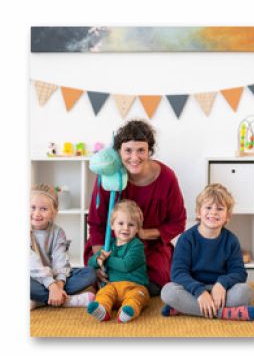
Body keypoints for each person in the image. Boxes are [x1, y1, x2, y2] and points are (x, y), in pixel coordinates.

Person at [84, 119, 186, 296]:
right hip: (111, 245)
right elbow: (96, 223)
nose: (134, 157)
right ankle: (117, 287)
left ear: (149, 151)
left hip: (149, 247)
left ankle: (126, 289)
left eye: (141, 150)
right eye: (128, 150)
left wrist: (145, 233)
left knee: (159, 278)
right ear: (119, 151)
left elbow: (178, 222)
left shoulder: (167, 177)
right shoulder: (109, 178)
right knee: (94, 275)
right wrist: (102, 259)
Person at [161, 183, 254, 321]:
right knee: (168, 292)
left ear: (227, 216)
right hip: (192, 290)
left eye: (219, 208)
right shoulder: (187, 238)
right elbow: (178, 273)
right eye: (208, 207)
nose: (213, 212)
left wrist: (222, 284)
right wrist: (199, 292)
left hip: (220, 291)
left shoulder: (231, 240)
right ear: (199, 213)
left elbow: (239, 272)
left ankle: (184, 308)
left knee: (245, 292)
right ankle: (224, 313)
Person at [30, 184, 97, 310]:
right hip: (33, 276)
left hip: (54, 277)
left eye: (43, 209)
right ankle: (67, 301)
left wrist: (59, 285)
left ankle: (42, 300)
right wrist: (51, 286)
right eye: (32, 207)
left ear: (54, 212)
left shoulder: (58, 232)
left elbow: (60, 260)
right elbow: (33, 264)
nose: (37, 213)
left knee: (90, 273)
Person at [87, 199, 149, 323]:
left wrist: (106, 259)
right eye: (120, 223)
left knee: (136, 297)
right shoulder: (108, 245)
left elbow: (125, 265)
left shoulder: (137, 246)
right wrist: (99, 259)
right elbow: (91, 262)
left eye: (131, 225)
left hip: (134, 286)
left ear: (137, 228)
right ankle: (103, 310)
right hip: (113, 286)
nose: (125, 228)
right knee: (103, 293)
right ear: (112, 225)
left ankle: (127, 312)